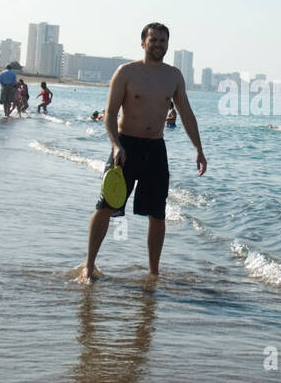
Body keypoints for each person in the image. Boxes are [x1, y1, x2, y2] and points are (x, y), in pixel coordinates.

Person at [79, 22, 207, 281]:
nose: (159, 45)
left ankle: (153, 272)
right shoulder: (127, 72)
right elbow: (110, 113)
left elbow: (187, 114)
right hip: (126, 147)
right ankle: (89, 265)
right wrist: (116, 144)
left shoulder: (173, 76)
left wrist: (199, 149)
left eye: (163, 40)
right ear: (143, 43)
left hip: (155, 149)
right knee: (105, 206)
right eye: (154, 40)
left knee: (157, 213)